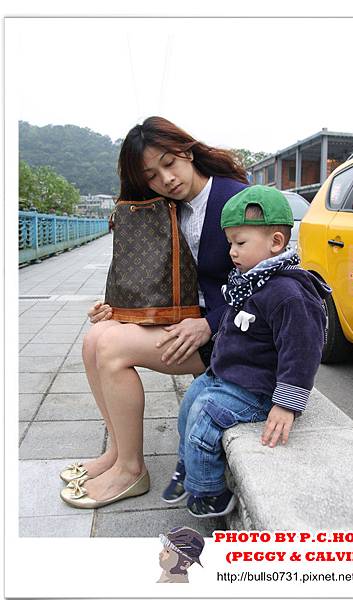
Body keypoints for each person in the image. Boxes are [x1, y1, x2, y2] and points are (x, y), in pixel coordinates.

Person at [59, 116, 248, 508]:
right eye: (151, 175)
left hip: (236, 336)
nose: (166, 179)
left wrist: (208, 324)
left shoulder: (235, 200)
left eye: (169, 163)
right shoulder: (167, 209)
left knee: (111, 348)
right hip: (192, 325)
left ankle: (131, 471)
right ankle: (117, 453)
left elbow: (269, 283)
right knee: (96, 339)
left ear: (187, 151)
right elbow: (155, 282)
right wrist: (116, 309)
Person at [162, 185, 331, 518]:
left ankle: (209, 493)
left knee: (205, 414)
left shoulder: (289, 293)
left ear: (276, 242)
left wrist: (286, 405)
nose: (232, 252)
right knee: (190, 401)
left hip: (258, 388)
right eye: (230, 244)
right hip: (230, 374)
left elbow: (302, 351)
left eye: (240, 243)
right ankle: (188, 462)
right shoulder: (251, 279)